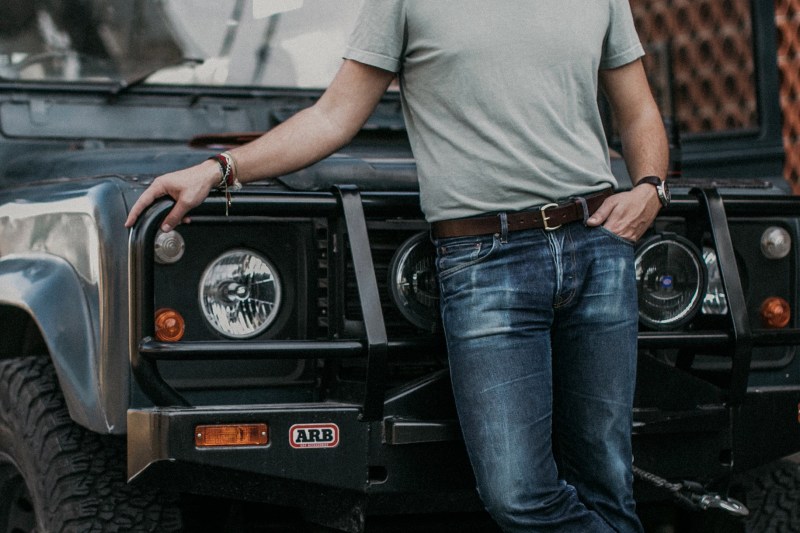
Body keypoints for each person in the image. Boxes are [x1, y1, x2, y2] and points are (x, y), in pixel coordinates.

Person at [126, 2, 668, 531]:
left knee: (609, 483)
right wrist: (220, 169)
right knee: (519, 496)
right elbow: (332, 117)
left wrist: (651, 187)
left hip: (598, 245)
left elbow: (639, 109)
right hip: (486, 261)